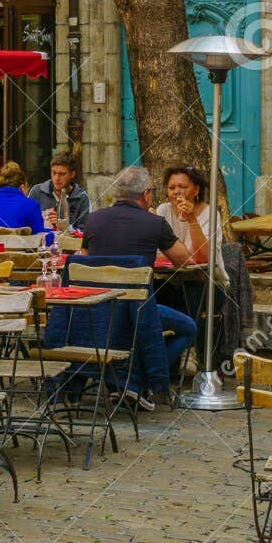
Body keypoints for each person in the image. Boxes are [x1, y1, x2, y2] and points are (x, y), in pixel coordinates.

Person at [82, 165, 198, 404]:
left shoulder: (93, 220)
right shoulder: (154, 223)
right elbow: (185, 259)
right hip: (139, 309)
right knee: (188, 327)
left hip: (98, 309)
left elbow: (84, 261)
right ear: (146, 194)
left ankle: (125, 382)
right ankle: (140, 381)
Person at [28, 151, 91, 230]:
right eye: (54, 173)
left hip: (69, 242)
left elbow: (86, 232)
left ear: (72, 174)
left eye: (62, 174)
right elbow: (25, 224)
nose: (57, 178)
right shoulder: (36, 192)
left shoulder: (82, 198)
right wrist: (40, 219)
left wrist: (64, 226)